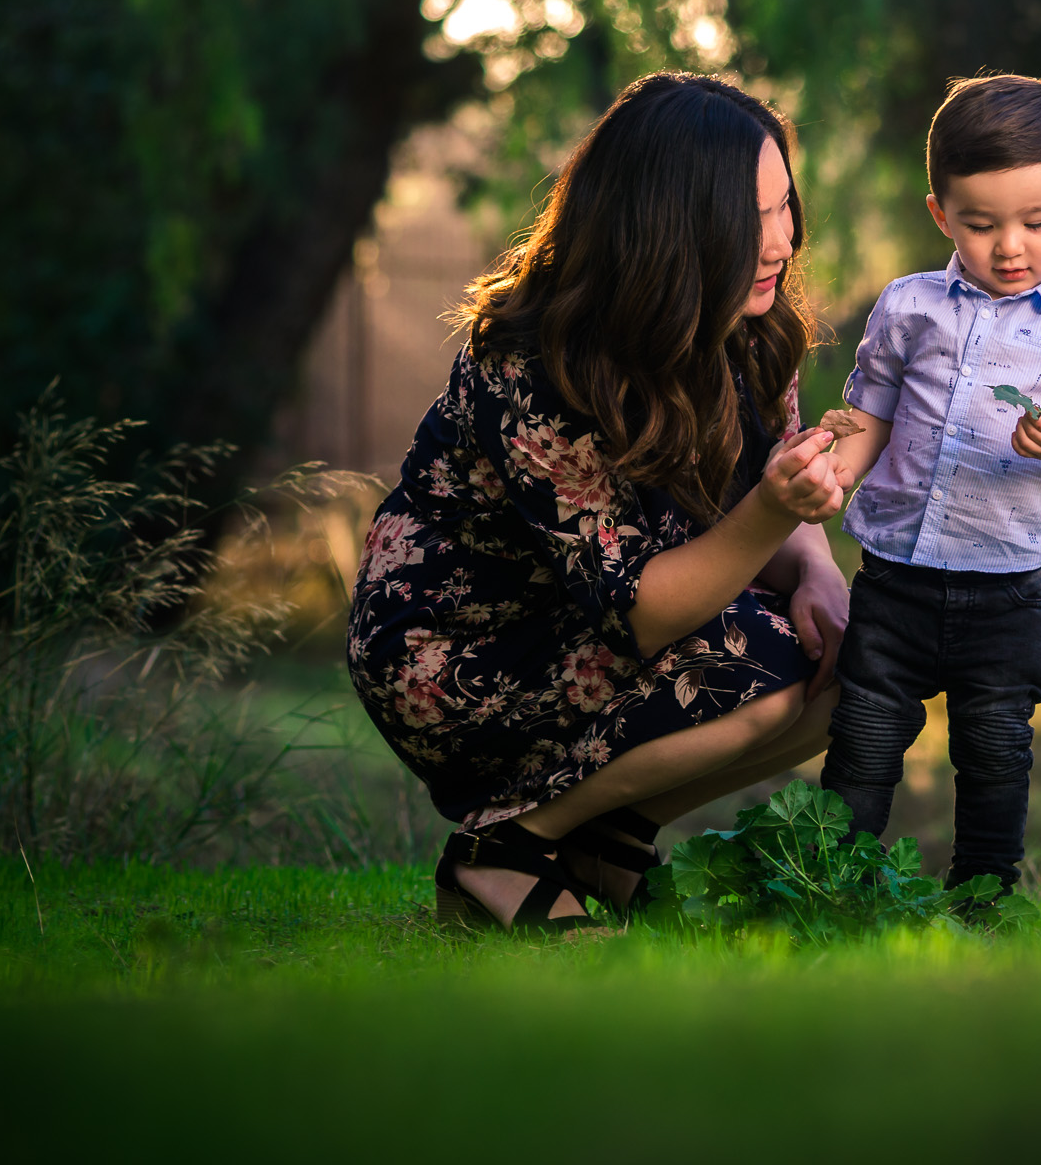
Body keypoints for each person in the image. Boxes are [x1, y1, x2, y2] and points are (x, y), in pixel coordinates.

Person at [346, 73, 852, 931]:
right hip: (461, 646)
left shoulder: (754, 329)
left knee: (861, 659)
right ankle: (502, 851)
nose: (780, 241)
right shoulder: (541, 359)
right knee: (759, 671)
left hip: (607, 627)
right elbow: (642, 614)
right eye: (751, 215)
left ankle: (605, 839)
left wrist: (814, 567)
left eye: (784, 207)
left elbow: (769, 488)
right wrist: (777, 515)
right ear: (672, 220)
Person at [816, 75, 1041, 897]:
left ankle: (985, 893)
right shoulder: (909, 307)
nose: (1010, 246)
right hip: (895, 575)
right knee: (863, 735)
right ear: (940, 214)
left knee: (995, 746)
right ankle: (831, 883)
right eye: (980, 223)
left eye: (1036, 223)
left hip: (1007, 589)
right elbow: (873, 409)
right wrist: (837, 469)